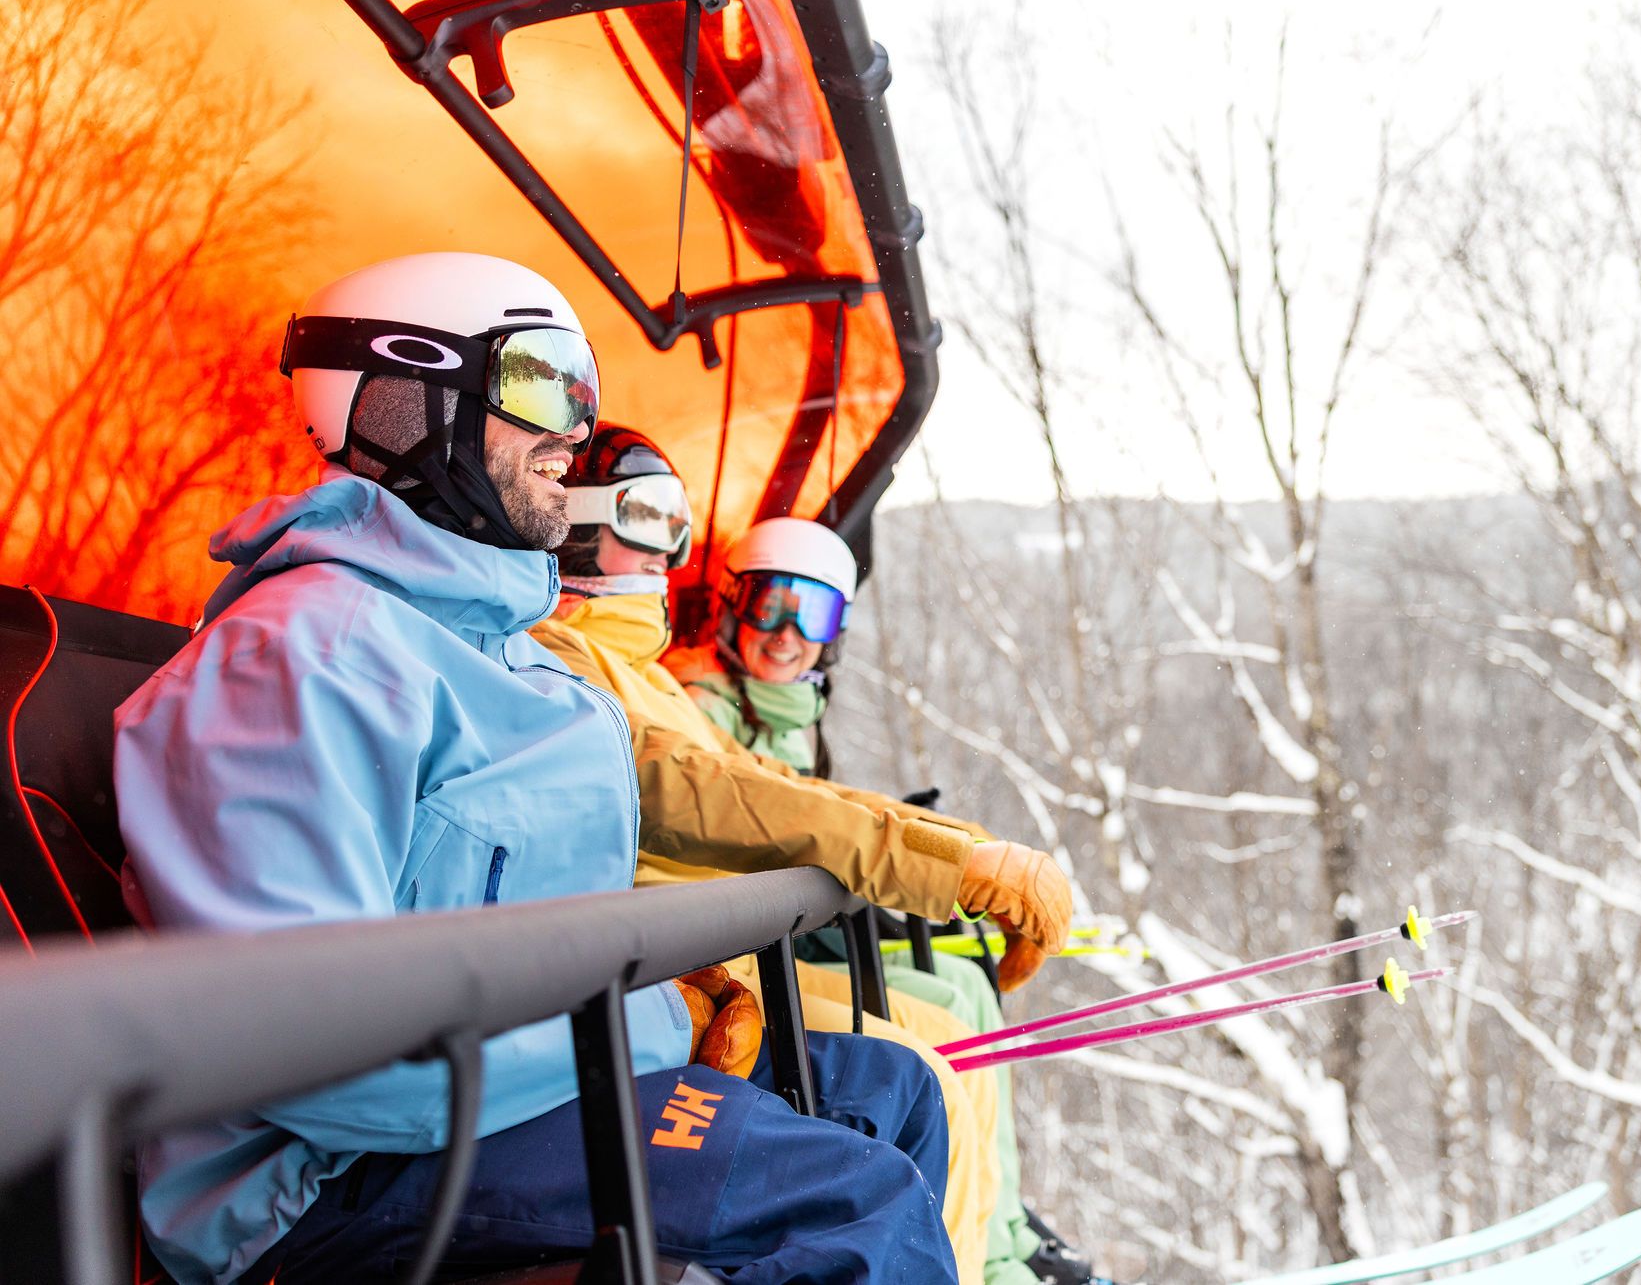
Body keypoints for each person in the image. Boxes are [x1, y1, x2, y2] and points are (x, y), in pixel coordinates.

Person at [113, 253, 956, 1285]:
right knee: (846, 1203)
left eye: (581, 388)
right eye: (540, 378)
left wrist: (661, 985)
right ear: (399, 399)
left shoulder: (490, 646)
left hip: (497, 1083)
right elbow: (305, 1049)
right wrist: (650, 1017)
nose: (574, 427)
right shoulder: (302, 656)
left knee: (888, 1087)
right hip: (332, 1173)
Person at [528, 424, 1074, 1283]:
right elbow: (705, 790)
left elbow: (749, 781)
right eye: (644, 514)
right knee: (924, 1061)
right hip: (684, 977)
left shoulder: (642, 671)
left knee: (934, 1049)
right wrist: (946, 865)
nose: (667, 544)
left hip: (722, 960)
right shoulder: (563, 659)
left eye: (677, 520)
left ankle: (993, 1256)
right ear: (579, 522)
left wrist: (962, 851)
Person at [669, 517, 1075, 1285]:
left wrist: (941, 849)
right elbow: (760, 813)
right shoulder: (703, 708)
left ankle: (1004, 1228)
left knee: (963, 988)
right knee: (934, 1032)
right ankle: (979, 1254)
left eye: (810, 614)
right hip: (741, 951)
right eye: (769, 605)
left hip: (784, 933)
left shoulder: (788, 715)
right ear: (730, 605)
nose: (786, 634)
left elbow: (814, 805)